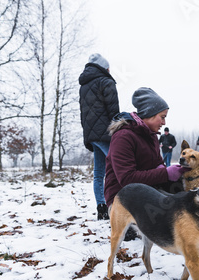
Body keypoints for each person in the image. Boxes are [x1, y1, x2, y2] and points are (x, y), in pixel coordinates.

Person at [104, 87, 189, 240]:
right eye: (162, 117)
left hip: (147, 191)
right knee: (154, 225)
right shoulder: (123, 137)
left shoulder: (152, 137)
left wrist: (168, 171)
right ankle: (126, 223)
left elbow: (158, 165)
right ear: (149, 114)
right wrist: (164, 173)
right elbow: (127, 178)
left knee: (182, 201)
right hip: (122, 198)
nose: (164, 122)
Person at [79, 53, 119, 220]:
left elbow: (84, 113)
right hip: (106, 133)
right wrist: (119, 130)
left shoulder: (84, 85)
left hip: (91, 135)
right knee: (119, 167)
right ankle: (119, 207)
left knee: (99, 173)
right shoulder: (106, 82)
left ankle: (101, 206)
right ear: (105, 68)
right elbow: (114, 111)